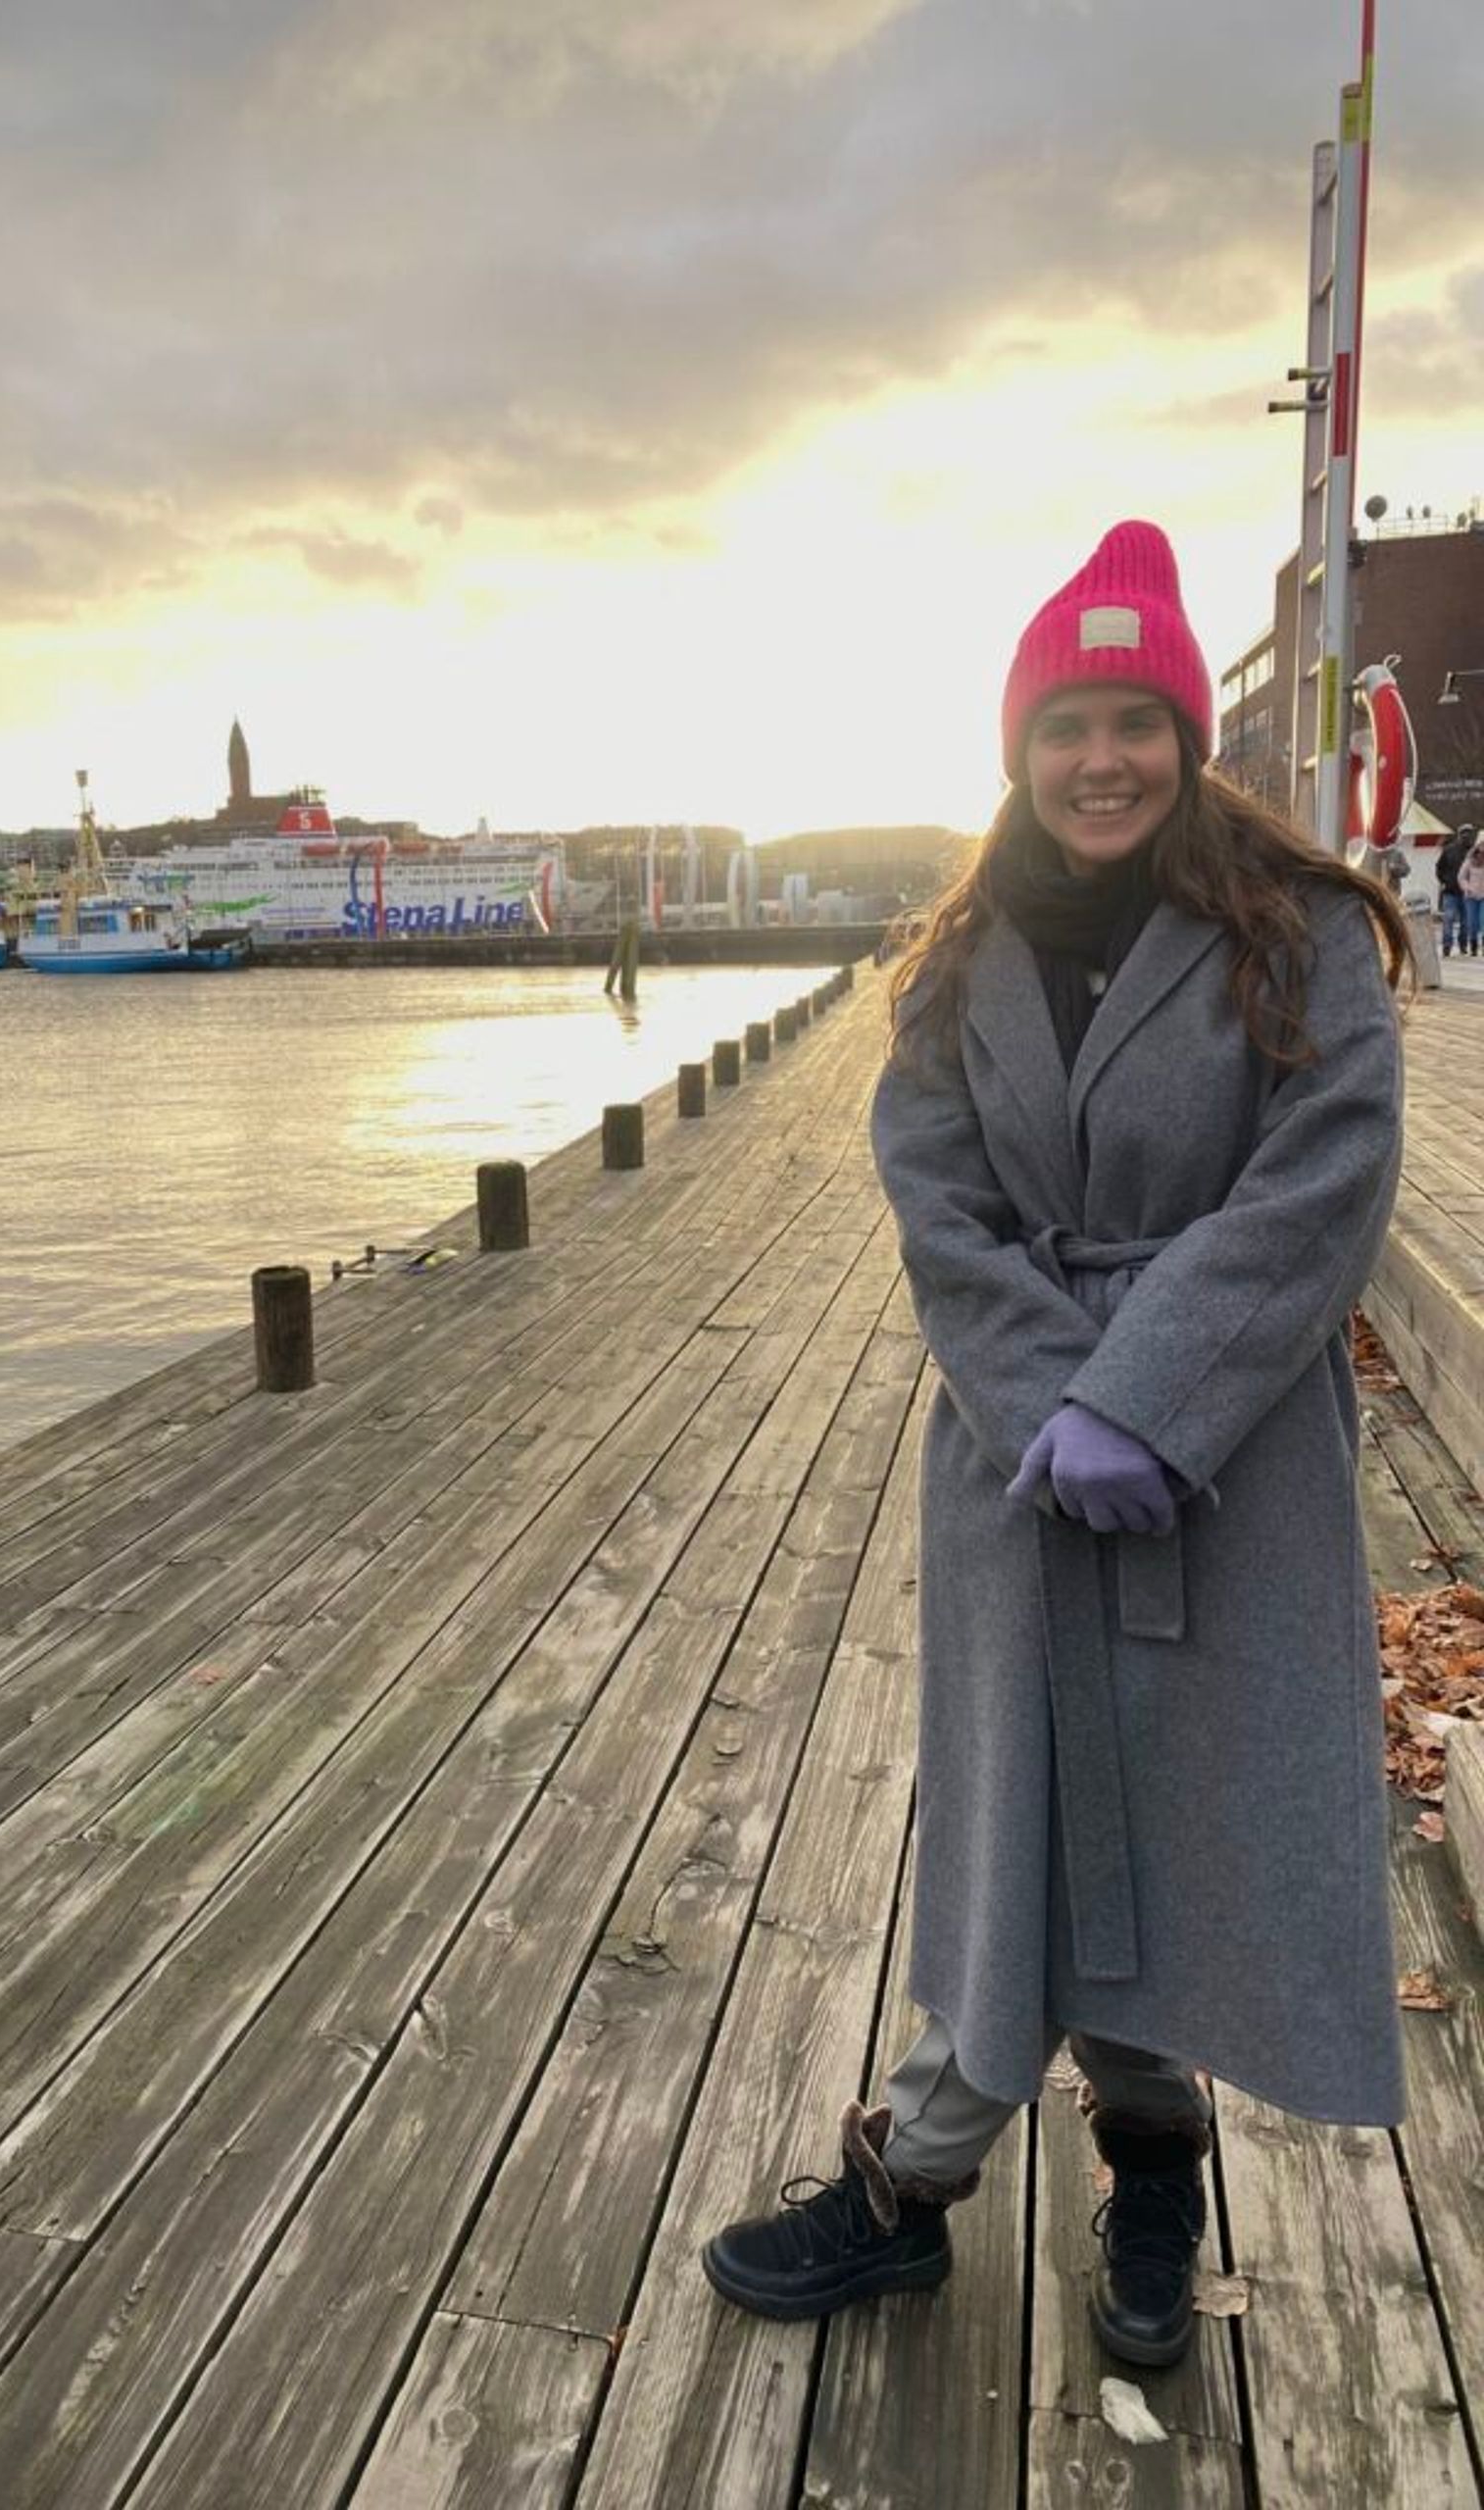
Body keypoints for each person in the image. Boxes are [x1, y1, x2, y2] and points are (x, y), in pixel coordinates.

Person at [702, 521, 1413, 2369]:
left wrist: (1146, 1397)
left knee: (1173, 1816)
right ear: (1017, 749)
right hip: (1022, 1476)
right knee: (1032, 1814)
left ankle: (1086, 2174)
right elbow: (937, 1203)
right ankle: (965, 2184)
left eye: (1136, 719)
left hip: (1230, 1466)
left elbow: (1322, 1184)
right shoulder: (951, 967)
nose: (1102, 758)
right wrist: (1057, 1401)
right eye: (1064, 724)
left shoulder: (1305, 935)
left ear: (1189, 735)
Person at [1437, 825, 1474, 957]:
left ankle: (1463, 945)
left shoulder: (1475, 852)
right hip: (1450, 892)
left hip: (1468, 893)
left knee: (1466, 922)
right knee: (1448, 919)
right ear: (1459, 834)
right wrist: (1444, 882)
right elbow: (1439, 868)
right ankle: (1447, 946)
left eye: (1469, 833)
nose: (1466, 836)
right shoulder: (1448, 850)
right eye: (1464, 833)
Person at [1458, 827, 1484, 957]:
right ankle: (1473, 945)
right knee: (1472, 923)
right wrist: (1467, 887)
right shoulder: (1469, 861)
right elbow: (1461, 877)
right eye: (1481, 845)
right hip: (1471, 896)